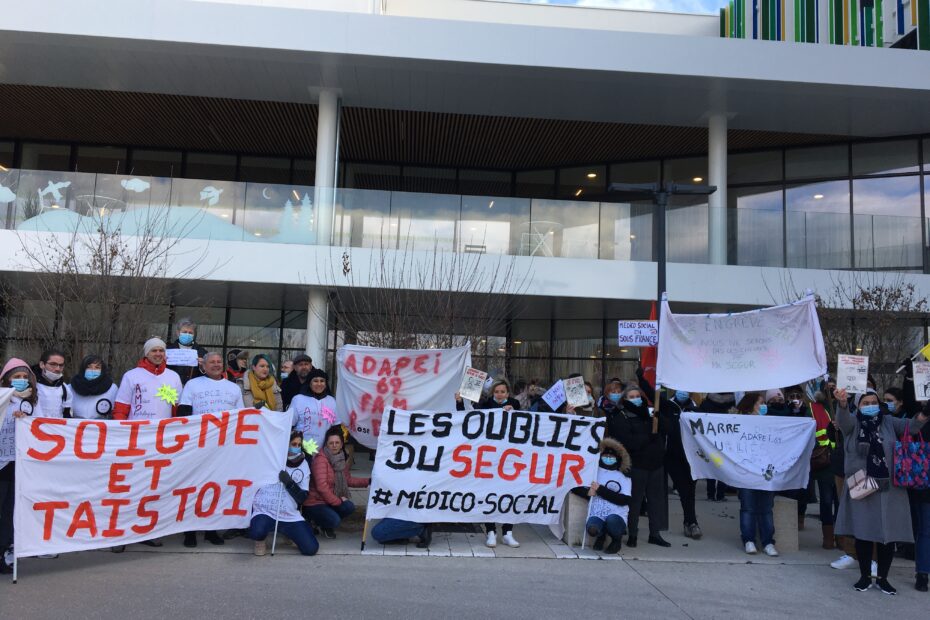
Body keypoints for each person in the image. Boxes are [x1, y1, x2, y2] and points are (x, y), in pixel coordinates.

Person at [833, 387, 928, 594]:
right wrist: (842, 403)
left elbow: (912, 426)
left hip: (889, 488)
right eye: (865, 403)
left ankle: (883, 578)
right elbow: (843, 420)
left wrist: (925, 412)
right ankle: (865, 577)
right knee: (863, 533)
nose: (870, 406)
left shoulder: (889, 422)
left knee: (888, 535)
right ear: (858, 406)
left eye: (874, 402)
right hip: (862, 485)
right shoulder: (853, 423)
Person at [111, 338, 182, 549]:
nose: (158, 354)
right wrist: (121, 435)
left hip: (162, 441)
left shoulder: (173, 377)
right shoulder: (132, 376)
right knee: (130, 486)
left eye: (161, 350)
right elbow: (121, 408)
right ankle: (122, 533)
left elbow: (177, 410)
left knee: (154, 487)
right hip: (136, 440)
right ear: (146, 353)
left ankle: (147, 530)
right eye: (154, 350)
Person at [177, 351, 245, 548]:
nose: (216, 365)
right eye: (212, 362)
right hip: (198, 445)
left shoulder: (233, 388)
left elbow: (240, 417)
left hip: (223, 447)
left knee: (216, 488)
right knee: (193, 488)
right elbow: (183, 414)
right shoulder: (192, 385)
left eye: (218, 362)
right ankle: (189, 531)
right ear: (204, 366)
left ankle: (211, 530)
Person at [637, 368, 701, 540]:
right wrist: (642, 380)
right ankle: (662, 523)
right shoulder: (668, 405)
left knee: (688, 491)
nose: (683, 392)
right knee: (667, 489)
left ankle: (690, 522)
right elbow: (653, 396)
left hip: (691, 457)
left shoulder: (697, 409)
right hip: (670, 455)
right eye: (680, 388)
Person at [608, 385, 669, 548]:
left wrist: (659, 418)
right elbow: (627, 442)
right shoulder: (621, 416)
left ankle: (655, 533)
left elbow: (667, 428)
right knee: (635, 501)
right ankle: (632, 534)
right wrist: (648, 437)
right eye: (632, 396)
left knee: (655, 501)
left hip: (656, 464)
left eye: (638, 396)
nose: (636, 399)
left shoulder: (650, 413)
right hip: (637, 466)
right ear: (625, 399)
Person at [250, 430, 319, 556]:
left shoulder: (303, 464)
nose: (296, 447)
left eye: (299, 445)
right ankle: (260, 540)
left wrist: (289, 483)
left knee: (311, 549)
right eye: (293, 444)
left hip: (289, 515)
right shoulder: (270, 459)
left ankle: (289, 533)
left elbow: (302, 497)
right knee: (257, 532)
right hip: (266, 512)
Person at [0, 359, 38, 574]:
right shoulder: (2, 398)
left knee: (11, 511)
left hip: (20, 464)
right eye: (17, 377)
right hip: (2, 463)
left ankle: (4, 551)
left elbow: (42, 426)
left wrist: (26, 420)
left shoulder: (33, 402)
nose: (21, 381)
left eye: (25, 377)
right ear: (7, 379)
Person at [733, 392, 779, 557]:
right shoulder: (739, 423)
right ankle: (748, 540)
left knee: (766, 508)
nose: (763, 406)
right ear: (750, 405)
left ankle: (768, 542)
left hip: (766, 472)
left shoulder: (770, 423)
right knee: (748, 507)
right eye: (760, 403)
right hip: (746, 472)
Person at [477, 379, 521, 548]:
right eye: (497, 392)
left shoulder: (515, 404)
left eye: (503, 392)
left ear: (508, 393)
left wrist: (514, 412)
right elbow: (471, 419)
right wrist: (459, 402)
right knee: (490, 494)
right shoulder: (485, 404)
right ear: (492, 393)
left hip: (510, 457)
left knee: (510, 494)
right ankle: (491, 532)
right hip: (490, 456)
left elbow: (523, 424)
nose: (500, 394)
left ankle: (508, 532)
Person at [304, 425, 369, 538]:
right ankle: (314, 521)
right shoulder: (320, 459)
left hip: (329, 500)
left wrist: (368, 481)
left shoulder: (340, 458)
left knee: (348, 507)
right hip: (315, 502)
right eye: (331, 443)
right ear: (326, 444)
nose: (334, 445)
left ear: (341, 444)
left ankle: (324, 525)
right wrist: (338, 501)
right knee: (335, 520)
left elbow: (348, 480)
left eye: (337, 442)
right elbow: (322, 487)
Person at [578, 437, 632, 554]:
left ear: (617, 458)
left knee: (612, 522)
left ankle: (616, 540)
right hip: (597, 512)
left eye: (611, 457)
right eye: (605, 456)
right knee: (592, 529)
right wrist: (586, 492)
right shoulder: (593, 471)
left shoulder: (623, 476)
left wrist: (601, 490)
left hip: (616, 513)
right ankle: (600, 537)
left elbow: (624, 500)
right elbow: (575, 487)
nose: (608, 458)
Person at [907, 402, 930, 592]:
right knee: (925, 531)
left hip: (922, 484)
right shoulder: (921, 419)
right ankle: (922, 573)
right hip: (923, 484)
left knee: (925, 531)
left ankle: (922, 573)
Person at [697, 391, 736, 502]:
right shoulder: (731, 404)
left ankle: (710, 494)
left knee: (711, 467)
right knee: (724, 466)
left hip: (709, 440)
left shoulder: (706, 404)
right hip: (726, 441)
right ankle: (720, 495)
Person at [289, 368, 337, 452]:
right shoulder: (298, 399)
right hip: (300, 448)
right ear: (309, 383)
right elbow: (290, 425)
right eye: (315, 381)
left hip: (324, 450)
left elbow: (336, 426)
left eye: (322, 381)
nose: (319, 384)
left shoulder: (332, 401)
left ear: (326, 384)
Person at [68, 355, 118, 419]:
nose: (93, 370)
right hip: (75, 424)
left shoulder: (112, 388)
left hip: (102, 424)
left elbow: (116, 412)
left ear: (102, 370)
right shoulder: (71, 387)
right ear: (83, 369)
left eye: (97, 367)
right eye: (89, 367)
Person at [166, 317, 208, 385]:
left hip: (193, 388)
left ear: (194, 335)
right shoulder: (168, 351)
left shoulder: (202, 352)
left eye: (190, 333)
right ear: (178, 333)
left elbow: (209, 377)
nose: (187, 335)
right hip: (171, 388)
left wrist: (203, 369)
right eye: (184, 332)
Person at [32, 348, 71, 418]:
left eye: (61, 365)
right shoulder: (31, 385)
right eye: (53, 364)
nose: (58, 369)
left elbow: (67, 415)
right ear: (42, 364)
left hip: (56, 425)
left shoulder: (64, 388)